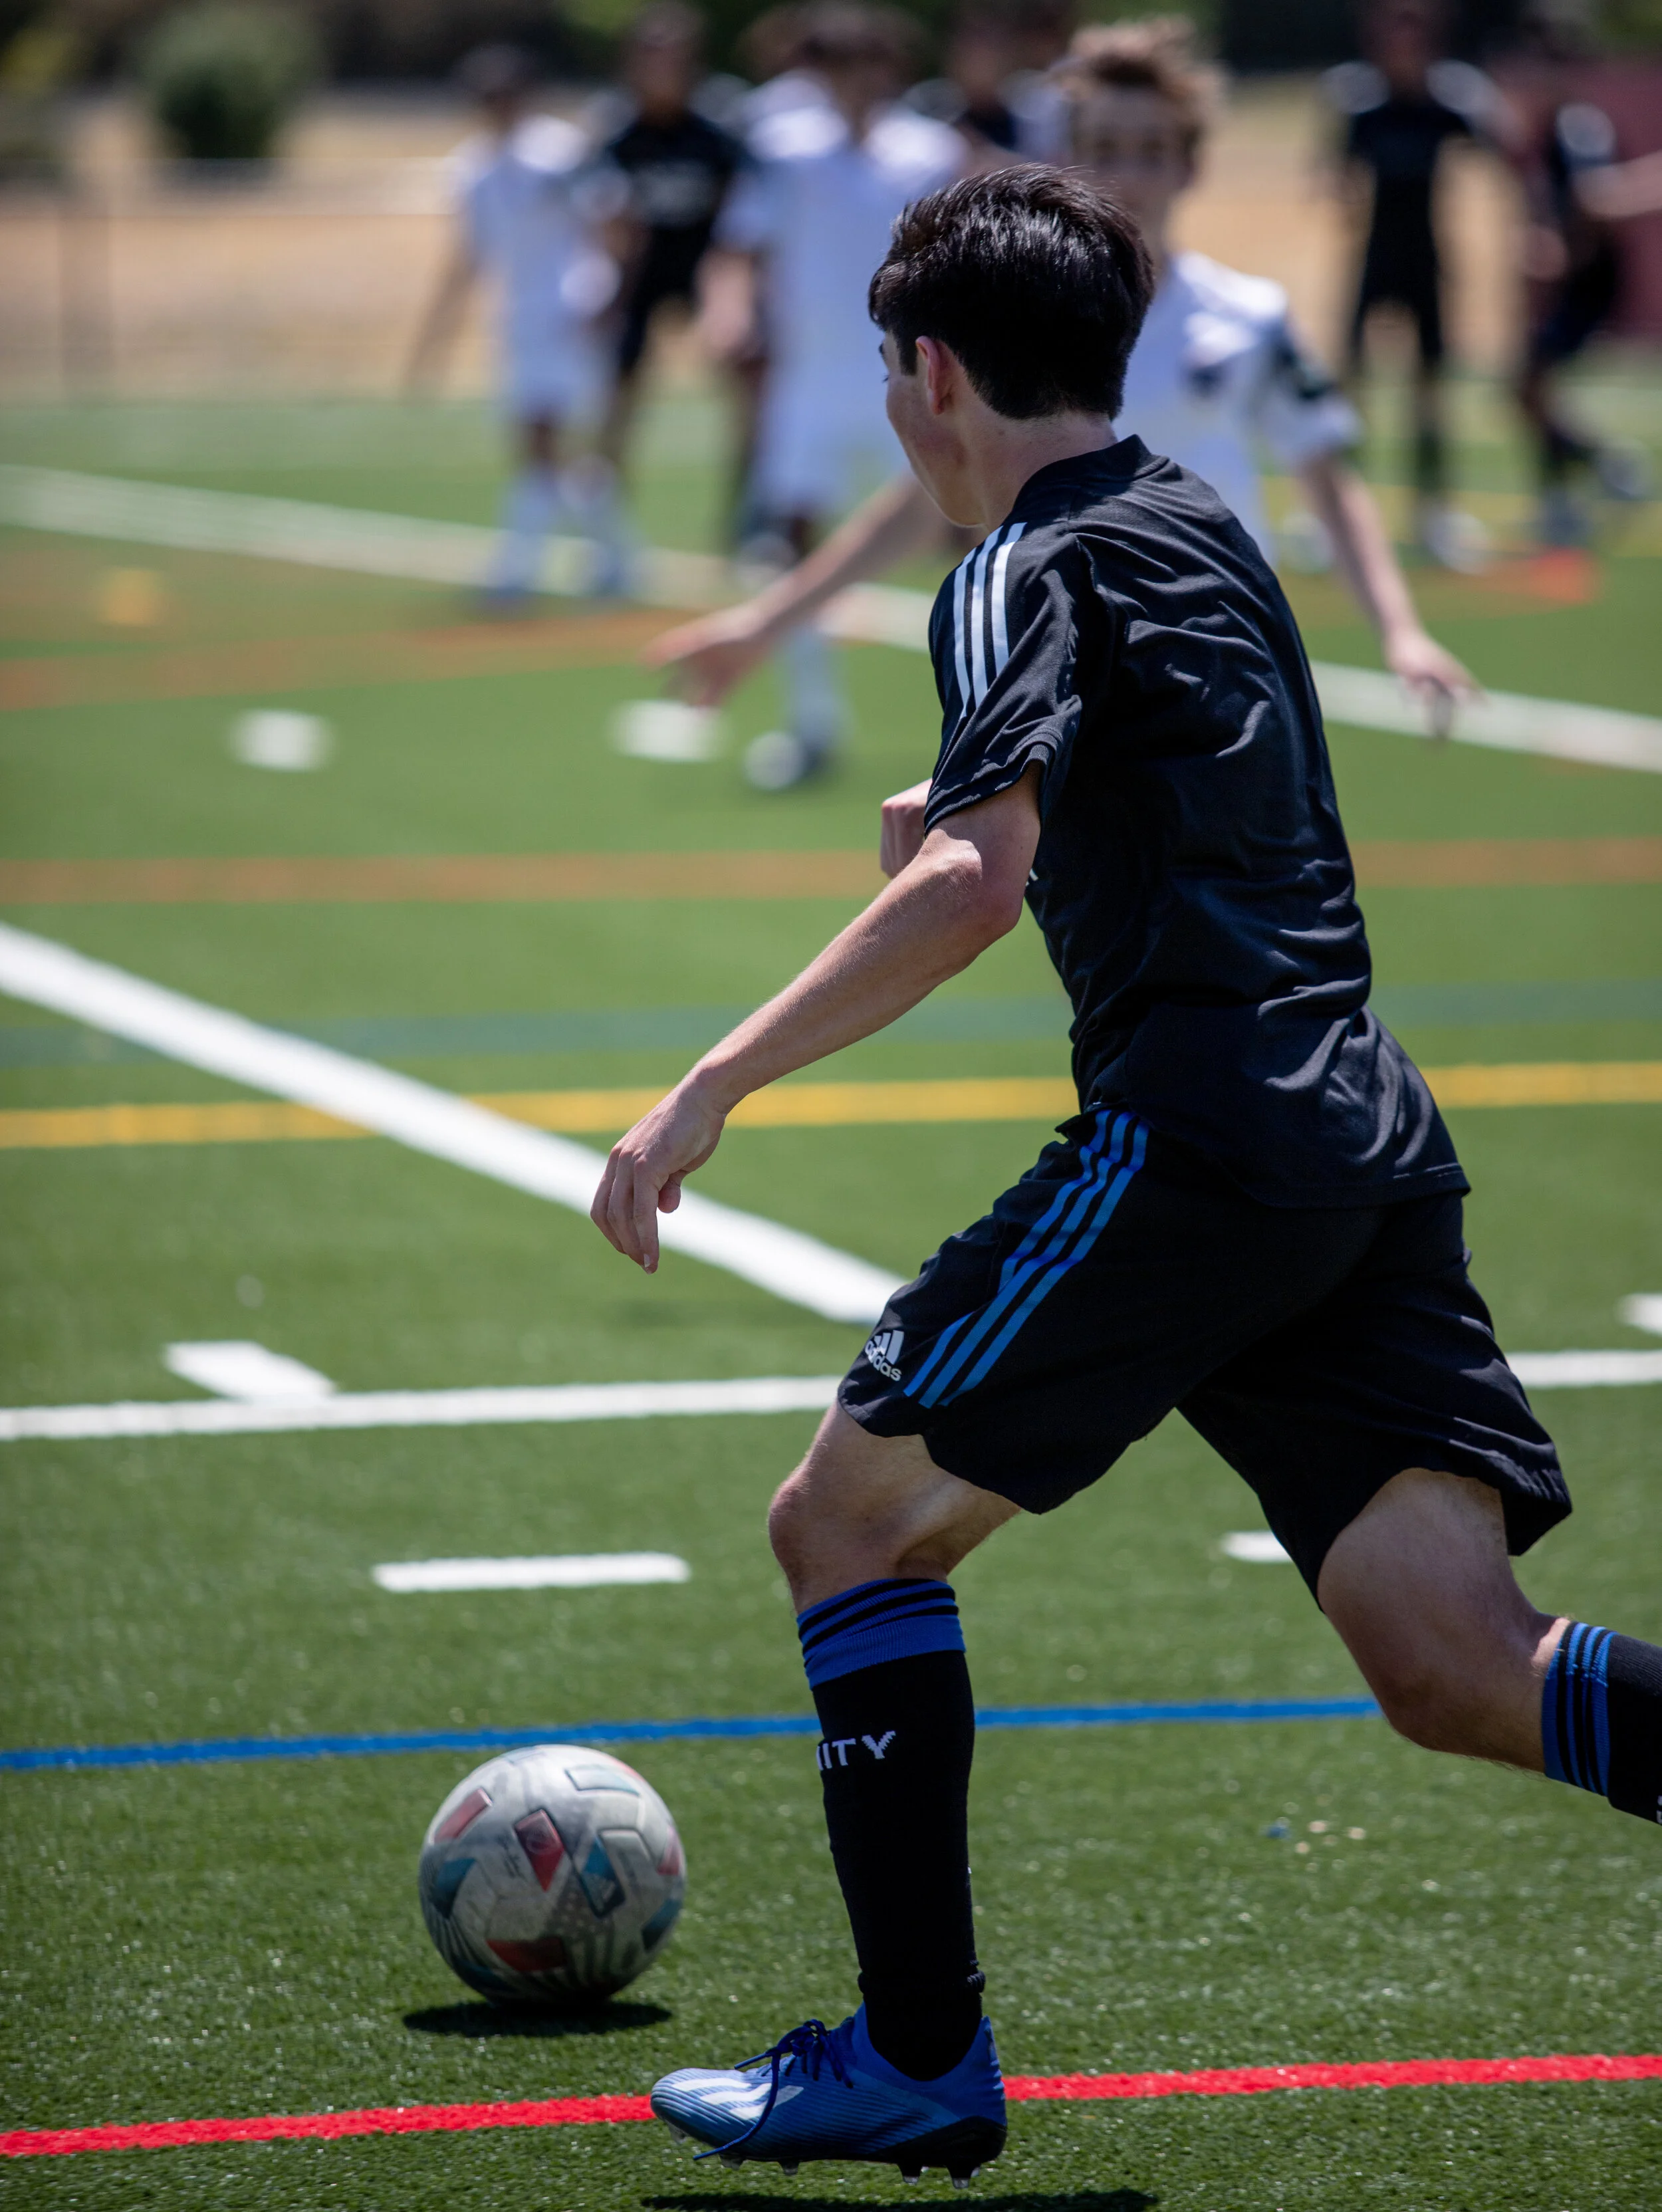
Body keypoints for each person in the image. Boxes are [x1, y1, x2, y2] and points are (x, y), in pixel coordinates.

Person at [592, 164, 1661, 2185]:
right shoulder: (1198, 519)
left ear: (925, 375)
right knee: (1454, 1664)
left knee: (843, 1524)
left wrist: (703, 1086)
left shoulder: (1002, 562)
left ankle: (911, 2053)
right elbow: (1175, 771)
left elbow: (965, 883)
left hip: (1195, 1138)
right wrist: (997, 795)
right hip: (1356, 1134)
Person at [649, 17, 1475, 735]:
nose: (1130, 173)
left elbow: (1329, 483)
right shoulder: (1023, 329)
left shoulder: (1247, 316)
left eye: (1152, 150)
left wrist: (1401, 631)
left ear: (1190, 164)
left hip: (1223, 659)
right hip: (1077, 672)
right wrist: (765, 623)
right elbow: (914, 506)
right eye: (1105, 149)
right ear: (1066, 161)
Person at [699, 3, 963, 787]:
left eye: (869, 63)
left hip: (909, 380)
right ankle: (812, 725)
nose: (855, 81)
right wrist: (730, 310)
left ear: (890, 69)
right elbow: (739, 247)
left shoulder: (930, 149)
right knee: (793, 549)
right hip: (808, 385)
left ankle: (987, 731)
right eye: (838, 64)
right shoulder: (782, 149)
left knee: (971, 543)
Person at [406, 44, 634, 600]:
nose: (496, 105)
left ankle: (517, 571)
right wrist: (437, 336)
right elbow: (471, 256)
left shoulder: (560, 153)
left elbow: (613, 222)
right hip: (522, 320)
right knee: (550, 450)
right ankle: (618, 559)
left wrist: (610, 299)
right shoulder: (473, 169)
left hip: (572, 311)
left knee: (543, 444)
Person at [1325, 0, 1504, 570]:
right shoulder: (1364, 108)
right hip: (1375, 260)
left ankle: (1433, 514)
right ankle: (1335, 518)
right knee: (1349, 387)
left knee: (1430, 393)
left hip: (1427, 260)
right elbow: (1337, 177)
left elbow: (1498, 148)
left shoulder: (1444, 105)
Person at [1510, 3, 1659, 544]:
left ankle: (1591, 481)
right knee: (1530, 385)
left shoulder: (1578, 126)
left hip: (1588, 279)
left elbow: (1597, 198)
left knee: (1531, 381)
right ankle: (1586, 480)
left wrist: (1558, 245)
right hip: (1567, 278)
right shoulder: (1550, 126)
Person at [598, 5, 747, 484]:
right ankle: (604, 509)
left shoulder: (716, 130)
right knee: (618, 383)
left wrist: (732, 296)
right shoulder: (618, 131)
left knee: (744, 372)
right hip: (640, 272)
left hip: (705, 266)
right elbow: (602, 217)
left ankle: (750, 500)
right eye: (651, 57)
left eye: (673, 58)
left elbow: (741, 213)